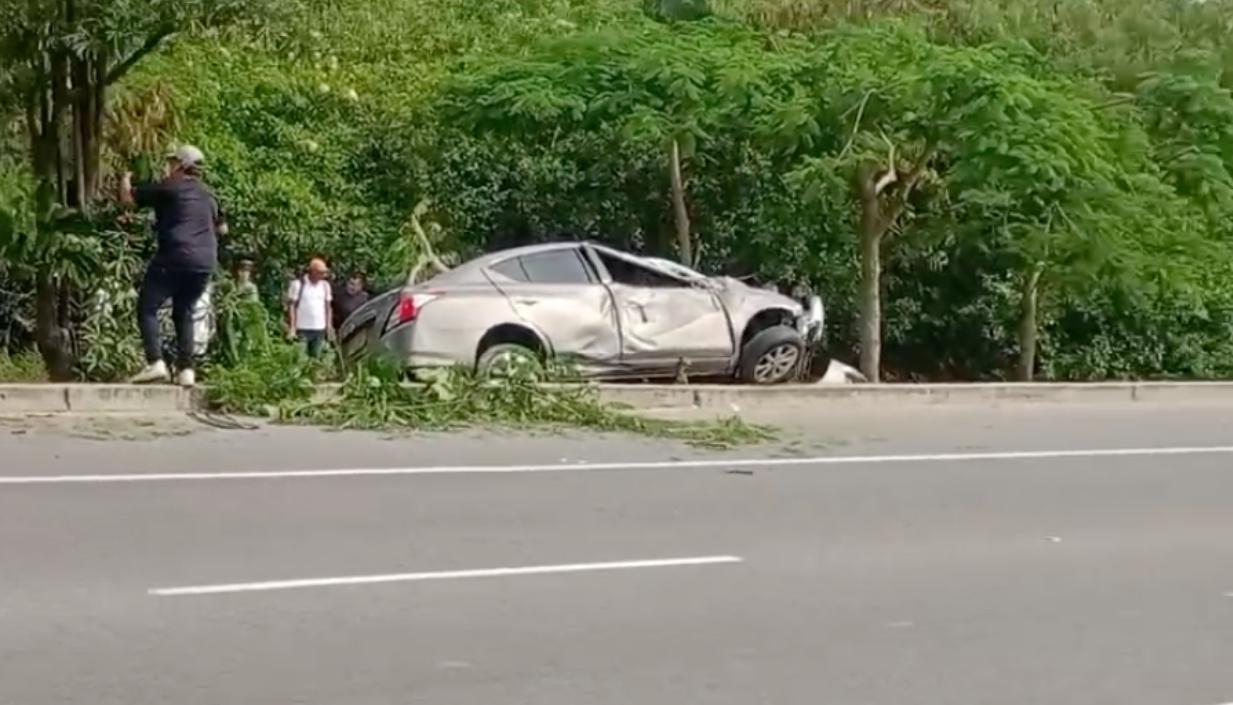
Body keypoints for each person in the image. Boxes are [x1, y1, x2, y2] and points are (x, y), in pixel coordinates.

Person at [120, 145, 227, 388]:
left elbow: (128, 200)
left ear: (180, 164)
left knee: (147, 306)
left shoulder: (169, 186)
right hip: (205, 261)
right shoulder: (210, 195)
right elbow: (223, 229)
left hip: (177, 254)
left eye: (170, 162)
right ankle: (186, 370)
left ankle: (155, 362)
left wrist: (126, 177)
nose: (166, 166)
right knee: (184, 311)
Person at [286, 258, 333, 358]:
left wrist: (329, 326)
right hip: (302, 329)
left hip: (319, 329)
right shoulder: (298, 284)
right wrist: (292, 327)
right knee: (300, 358)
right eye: (321, 272)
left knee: (316, 358)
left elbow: (328, 307)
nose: (323, 275)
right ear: (313, 271)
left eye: (324, 273)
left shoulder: (325, 286)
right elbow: (291, 307)